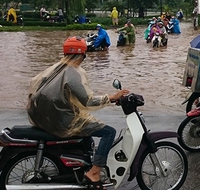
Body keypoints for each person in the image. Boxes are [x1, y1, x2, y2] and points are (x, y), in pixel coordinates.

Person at [26, 37, 129, 188]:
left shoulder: (57, 68)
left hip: (47, 118)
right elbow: (88, 101)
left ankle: (83, 164)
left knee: (88, 127)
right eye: (84, 55)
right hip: (62, 122)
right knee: (108, 132)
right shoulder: (72, 73)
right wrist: (112, 97)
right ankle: (94, 171)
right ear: (82, 55)